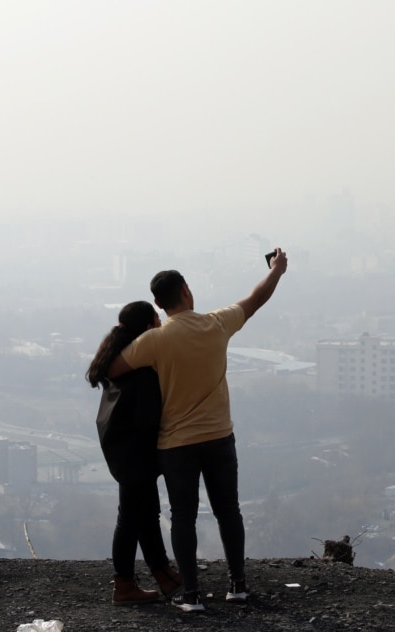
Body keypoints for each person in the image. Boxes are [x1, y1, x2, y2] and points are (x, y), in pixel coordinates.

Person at [108, 248, 289, 612]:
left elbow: (112, 369)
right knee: (229, 511)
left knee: (183, 518)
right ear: (187, 292)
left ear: (159, 306)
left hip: (175, 445)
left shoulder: (154, 341)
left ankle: (190, 595)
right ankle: (237, 585)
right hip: (219, 437)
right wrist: (277, 270)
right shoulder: (217, 324)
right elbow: (256, 299)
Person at [85, 300, 182, 606]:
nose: (161, 326)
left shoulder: (122, 360)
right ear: (148, 327)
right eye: (157, 320)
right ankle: (124, 584)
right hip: (135, 453)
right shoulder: (139, 369)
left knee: (145, 514)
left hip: (125, 452)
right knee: (131, 518)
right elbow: (147, 418)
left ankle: (163, 573)